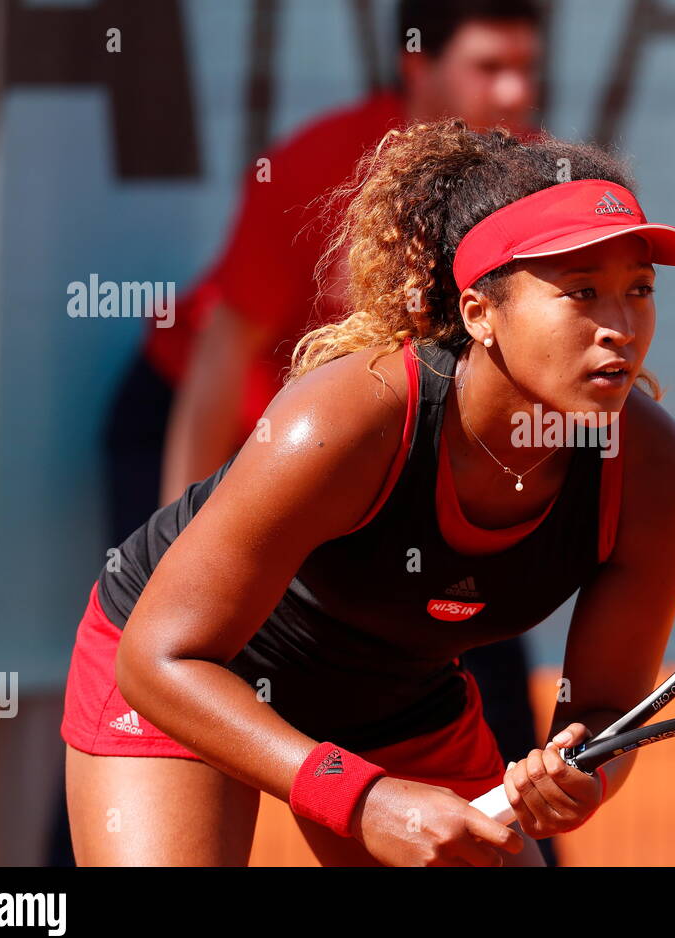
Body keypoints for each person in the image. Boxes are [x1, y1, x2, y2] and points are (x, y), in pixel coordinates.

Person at [62, 119, 675, 866]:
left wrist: (582, 777)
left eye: (638, 291)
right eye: (581, 293)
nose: (619, 328)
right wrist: (360, 798)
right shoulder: (344, 421)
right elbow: (158, 659)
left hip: (394, 699)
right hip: (197, 670)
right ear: (479, 313)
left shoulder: (658, 478)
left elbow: (603, 714)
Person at [68, 0, 552, 864]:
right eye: (488, 66)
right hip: (202, 426)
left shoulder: (530, 184)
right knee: (162, 664)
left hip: (393, 482)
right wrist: (188, 527)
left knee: (486, 676)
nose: (514, 89)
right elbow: (224, 355)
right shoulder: (325, 164)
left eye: (526, 65)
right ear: (417, 69)